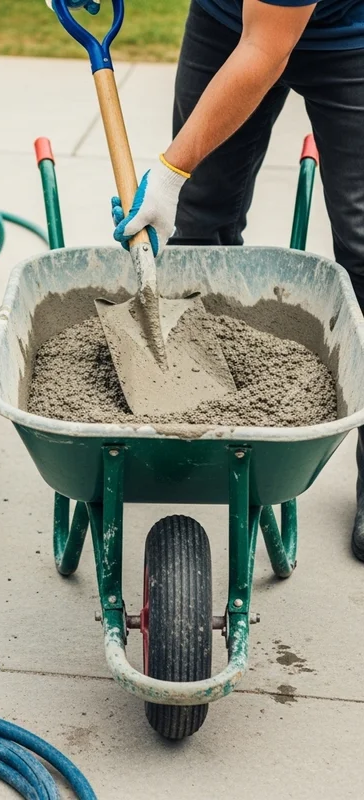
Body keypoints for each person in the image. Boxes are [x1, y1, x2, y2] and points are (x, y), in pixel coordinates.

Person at [111, 0, 364, 562]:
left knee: (363, 242)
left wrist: (170, 172)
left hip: (351, 37)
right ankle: (195, 422)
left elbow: (266, 46)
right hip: (227, 20)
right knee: (199, 226)